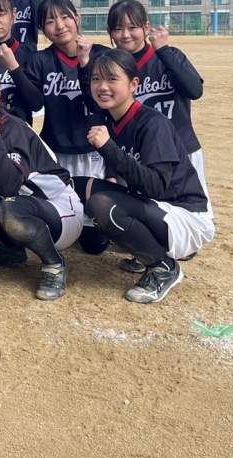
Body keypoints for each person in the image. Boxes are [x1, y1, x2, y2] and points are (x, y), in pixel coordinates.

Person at [78, 50, 214, 303]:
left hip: (183, 216)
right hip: (154, 208)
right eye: (96, 79)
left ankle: (164, 269)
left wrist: (108, 148)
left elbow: (156, 187)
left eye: (112, 79)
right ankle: (143, 250)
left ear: (133, 84)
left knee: (102, 206)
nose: (102, 86)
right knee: (77, 186)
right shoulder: (112, 119)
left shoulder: (152, 123)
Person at [0, 68, 83, 299]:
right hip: (25, 202)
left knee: (10, 208)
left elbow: (8, 187)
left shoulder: (10, 127)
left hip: (59, 209)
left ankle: (54, 265)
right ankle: (9, 249)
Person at [107, 0, 208, 272]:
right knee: (147, 204)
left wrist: (164, 50)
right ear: (110, 32)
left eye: (133, 27)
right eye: (118, 28)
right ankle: (149, 253)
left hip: (181, 149)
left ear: (146, 27)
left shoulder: (165, 56)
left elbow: (195, 90)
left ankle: (181, 249)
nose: (125, 34)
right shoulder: (115, 69)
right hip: (140, 153)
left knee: (183, 206)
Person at [21, 0, 109, 177]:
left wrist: (85, 65)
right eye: (50, 21)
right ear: (42, 28)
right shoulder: (39, 61)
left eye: (65, 17)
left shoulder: (102, 55)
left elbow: (98, 105)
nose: (60, 26)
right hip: (55, 149)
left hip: (95, 148)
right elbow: (34, 104)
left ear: (77, 18)